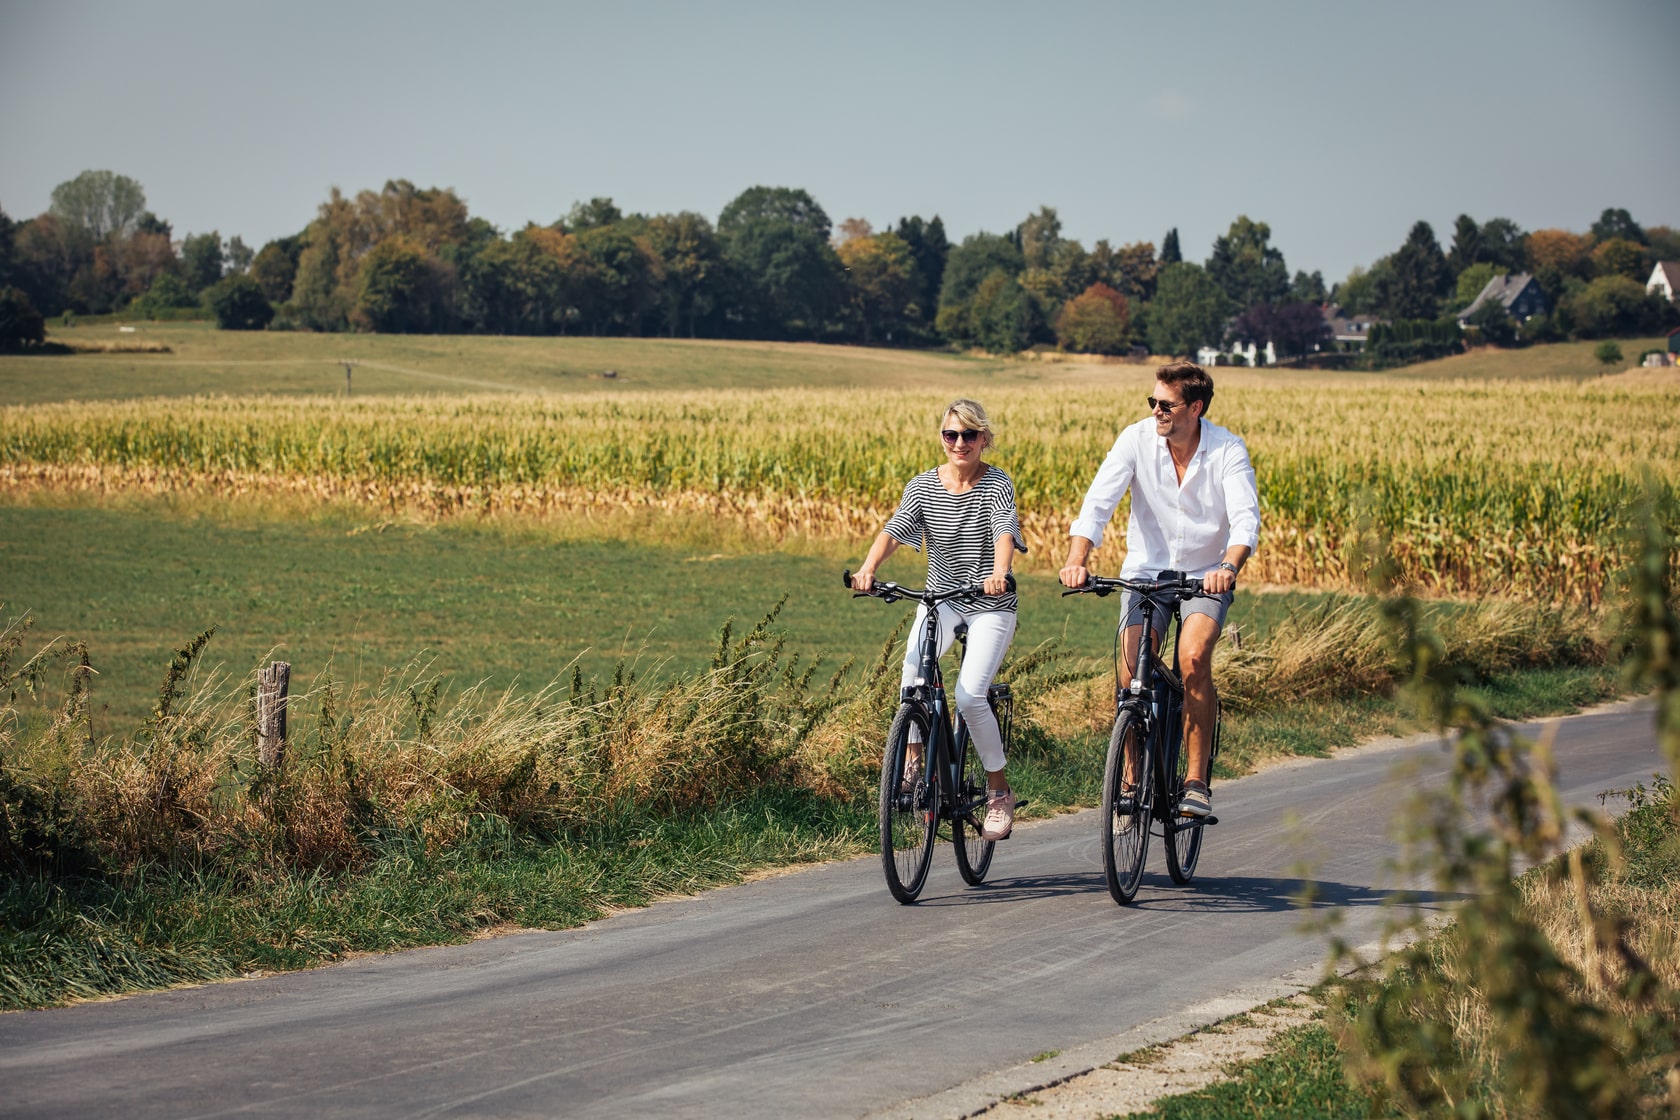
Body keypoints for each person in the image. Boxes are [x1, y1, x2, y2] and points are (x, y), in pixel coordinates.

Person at [1058, 361, 1260, 818]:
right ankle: (1129, 777)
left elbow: (1245, 517)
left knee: (1192, 659)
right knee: (1130, 671)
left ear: (1196, 407)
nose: (1156, 412)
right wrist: (1077, 560)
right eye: (1152, 402)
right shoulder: (1135, 439)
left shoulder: (1227, 449)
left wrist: (1229, 565)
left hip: (1206, 573)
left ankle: (1194, 781)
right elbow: (1097, 503)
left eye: (1166, 405)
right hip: (1146, 572)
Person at [852, 398, 1027, 840]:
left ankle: (998, 792)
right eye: (951, 435)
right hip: (941, 600)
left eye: (970, 435)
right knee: (913, 678)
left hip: (990, 602)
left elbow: (1004, 531)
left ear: (984, 439)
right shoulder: (923, 486)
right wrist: (869, 569)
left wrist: (1000, 573)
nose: (960, 443)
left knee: (969, 696)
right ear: (942, 439)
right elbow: (895, 530)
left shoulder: (997, 484)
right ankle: (914, 764)